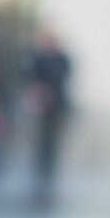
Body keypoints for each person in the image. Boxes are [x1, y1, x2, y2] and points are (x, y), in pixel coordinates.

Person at [20, 26, 72, 207]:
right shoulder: (35, 58)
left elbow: (64, 77)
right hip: (41, 108)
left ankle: (48, 181)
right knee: (39, 147)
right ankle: (37, 183)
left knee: (52, 148)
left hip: (56, 108)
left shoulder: (62, 58)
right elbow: (27, 78)